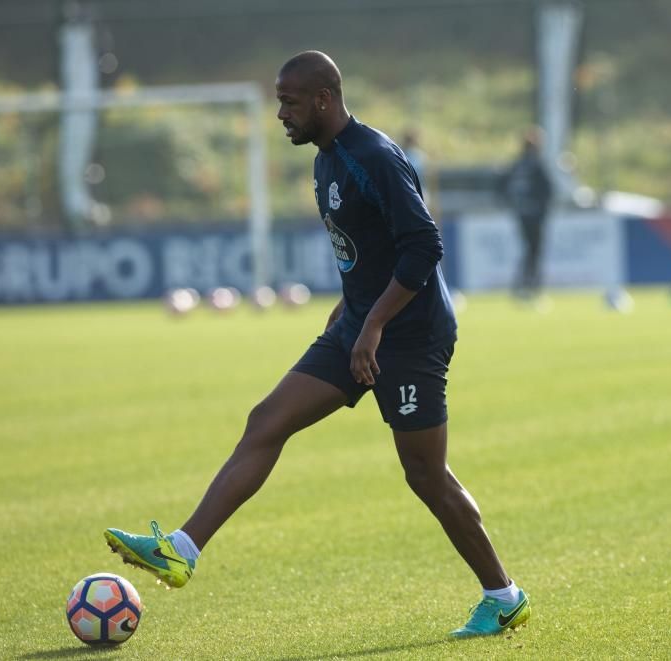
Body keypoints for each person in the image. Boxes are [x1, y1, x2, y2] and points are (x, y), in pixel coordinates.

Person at [104, 50, 530, 639]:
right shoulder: (325, 159)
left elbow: (423, 246)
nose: (280, 113)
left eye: (289, 101)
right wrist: (351, 314)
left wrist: (375, 324)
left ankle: (503, 596)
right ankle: (182, 548)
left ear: (323, 100)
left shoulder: (374, 158)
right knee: (266, 421)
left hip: (409, 335)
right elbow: (367, 249)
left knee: (426, 476)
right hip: (358, 326)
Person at [499, 127, 553, 299]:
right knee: (534, 249)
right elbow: (548, 190)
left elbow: (502, 187)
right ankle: (530, 286)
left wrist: (514, 204)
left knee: (529, 249)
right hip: (535, 214)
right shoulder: (536, 165)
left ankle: (523, 284)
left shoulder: (517, 165)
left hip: (521, 214)